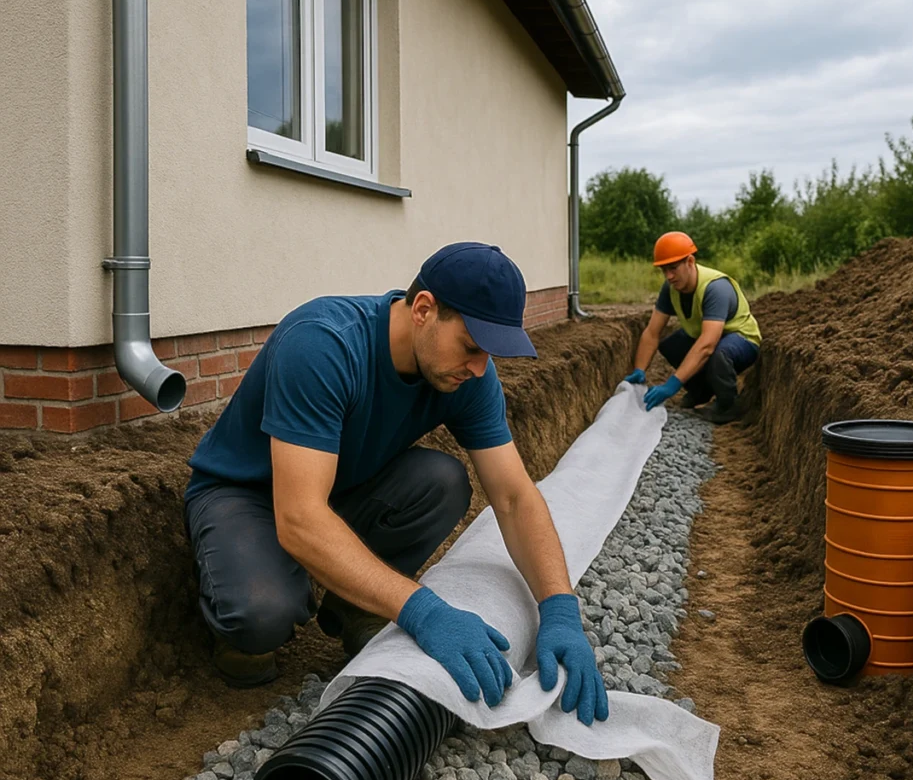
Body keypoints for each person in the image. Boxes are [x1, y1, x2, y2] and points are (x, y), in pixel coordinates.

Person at [181, 242, 608, 726]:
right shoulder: (323, 344)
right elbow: (300, 518)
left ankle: (351, 607)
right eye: (471, 346)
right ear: (424, 309)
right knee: (262, 614)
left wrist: (558, 607)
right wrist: (423, 612)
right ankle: (251, 617)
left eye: (489, 353)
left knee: (441, 480)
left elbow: (513, 496)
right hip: (246, 495)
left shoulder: (468, 376)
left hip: (339, 487)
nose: (479, 367)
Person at [624, 231, 762, 423]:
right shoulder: (670, 288)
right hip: (711, 338)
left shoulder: (715, 288)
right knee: (672, 345)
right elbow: (652, 332)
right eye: (664, 270)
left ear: (690, 262)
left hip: (741, 340)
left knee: (717, 353)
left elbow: (707, 345)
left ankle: (728, 405)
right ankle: (701, 392)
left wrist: (672, 384)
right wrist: (639, 369)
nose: (669, 276)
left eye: (673, 268)